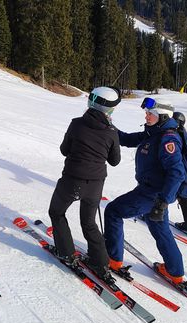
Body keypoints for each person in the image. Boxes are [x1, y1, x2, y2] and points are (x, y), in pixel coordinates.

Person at [104, 97, 186, 285]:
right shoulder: (153, 133)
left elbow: (177, 173)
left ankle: (113, 260)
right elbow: (126, 139)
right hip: (154, 195)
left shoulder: (168, 138)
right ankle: (175, 273)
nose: (146, 116)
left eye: (151, 114)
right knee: (160, 230)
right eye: (147, 113)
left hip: (152, 194)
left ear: (162, 117)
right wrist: (108, 124)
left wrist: (163, 201)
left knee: (113, 211)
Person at [49, 86, 121, 285]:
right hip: (96, 184)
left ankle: (66, 252)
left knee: (57, 212)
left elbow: (65, 150)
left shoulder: (77, 124)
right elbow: (115, 161)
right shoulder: (111, 132)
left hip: (73, 179)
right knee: (89, 222)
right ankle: (100, 262)